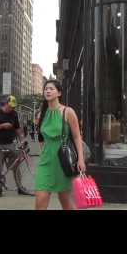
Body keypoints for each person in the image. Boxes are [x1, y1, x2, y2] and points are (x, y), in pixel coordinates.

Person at [34, 80, 86, 210]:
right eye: (46, 89)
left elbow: (76, 136)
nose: (48, 91)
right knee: (41, 197)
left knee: (65, 201)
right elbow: (41, 137)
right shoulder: (41, 114)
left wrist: (80, 159)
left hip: (63, 161)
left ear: (59, 93)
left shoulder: (68, 112)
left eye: (51, 89)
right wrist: (43, 152)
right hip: (46, 161)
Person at [0, 95, 26, 197]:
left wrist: (22, 139)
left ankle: (20, 187)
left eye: (13, 107)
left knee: (16, 166)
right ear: (5, 104)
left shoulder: (14, 114)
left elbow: (17, 128)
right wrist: (2, 126)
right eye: (10, 106)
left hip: (10, 143)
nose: (12, 108)